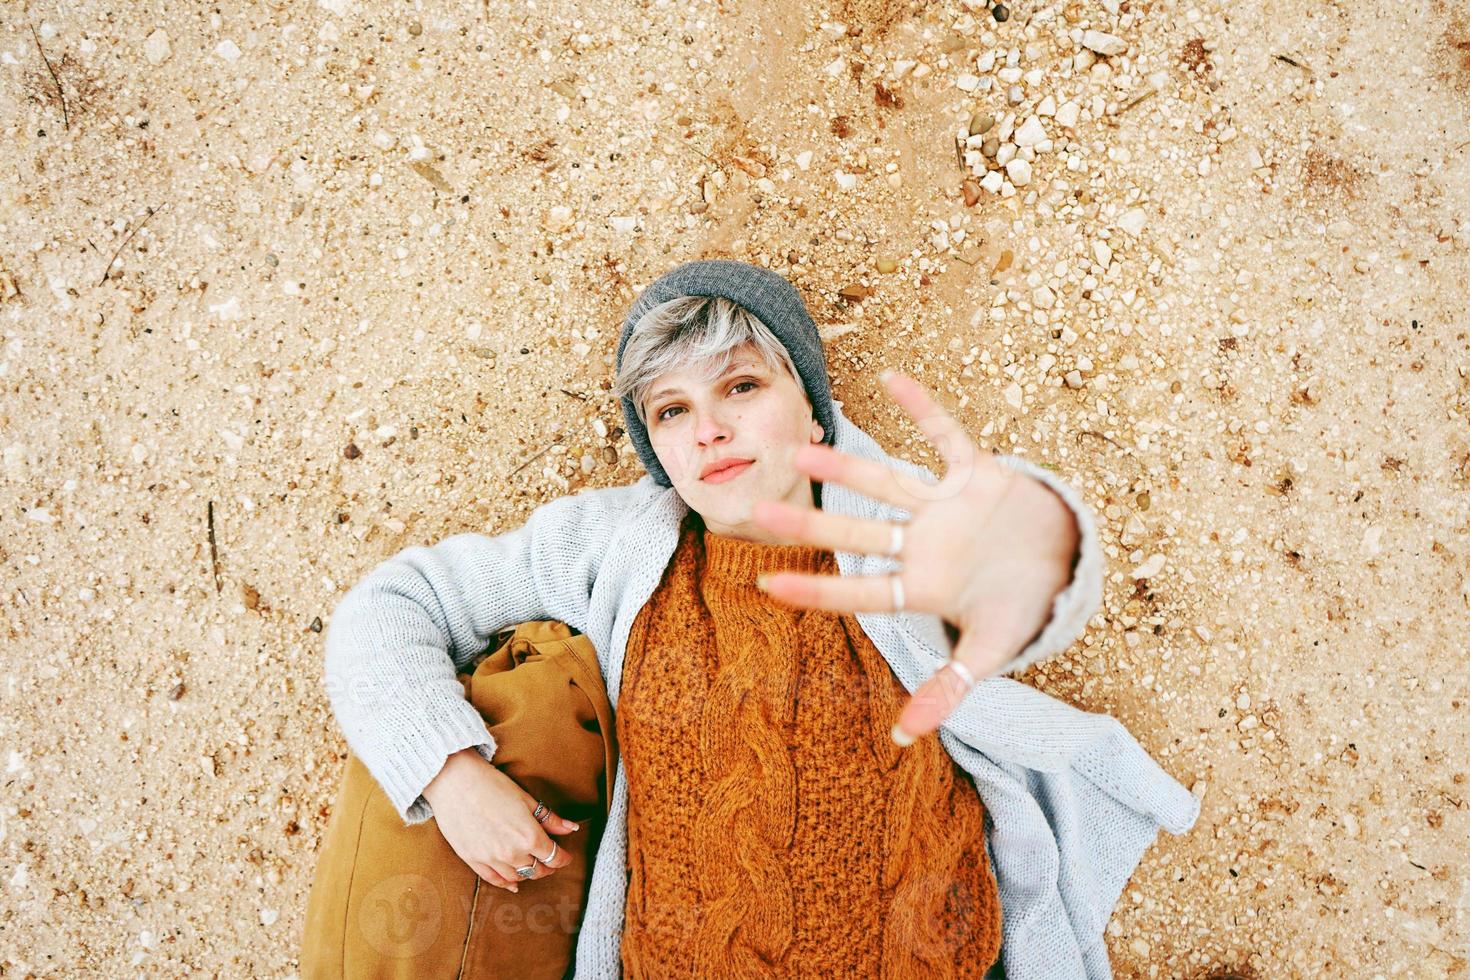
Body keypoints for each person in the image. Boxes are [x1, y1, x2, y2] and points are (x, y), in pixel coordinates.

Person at [315, 259, 1201, 978]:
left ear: (811, 402)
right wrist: (450, 773)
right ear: (657, 447)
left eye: (739, 387)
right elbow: (387, 607)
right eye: (672, 411)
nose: (709, 430)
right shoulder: (613, 546)